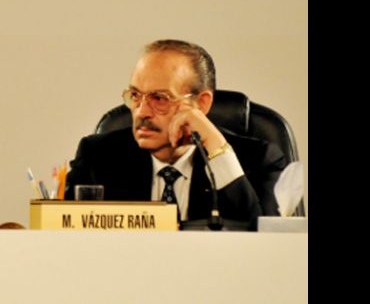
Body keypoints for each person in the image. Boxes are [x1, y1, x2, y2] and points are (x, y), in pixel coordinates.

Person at [64, 39, 286, 228]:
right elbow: (64, 238)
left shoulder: (259, 160)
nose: (141, 112)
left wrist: (216, 147)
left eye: (159, 98)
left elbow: (269, 244)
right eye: (135, 95)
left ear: (201, 104)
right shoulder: (98, 157)